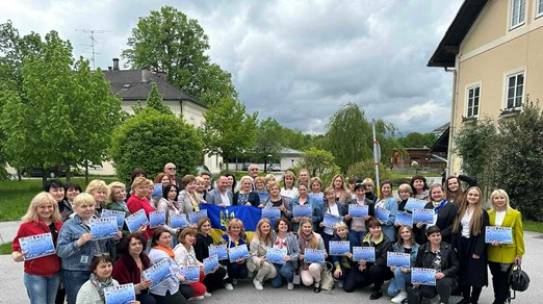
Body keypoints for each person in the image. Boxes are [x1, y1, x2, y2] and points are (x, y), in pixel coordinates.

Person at [56, 193, 121, 304]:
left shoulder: (100, 221)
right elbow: (60, 251)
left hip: (98, 270)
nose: (88, 209)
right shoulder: (69, 225)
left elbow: (107, 246)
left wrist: (115, 238)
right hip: (76, 272)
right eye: (84, 206)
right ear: (75, 208)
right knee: (77, 300)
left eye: (91, 205)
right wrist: (79, 242)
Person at [12, 192, 63, 304]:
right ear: (35, 208)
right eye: (42, 207)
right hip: (35, 274)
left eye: (50, 206)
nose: (46, 210)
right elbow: (16, 248)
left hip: (55, 273)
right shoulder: (26, 226)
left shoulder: (60, 224)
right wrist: (18, 256)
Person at [452, 186, 489, 304]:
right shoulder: (461, 210)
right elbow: (456, 229)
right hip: (462, 244)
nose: (472, 197)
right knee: (464, 273)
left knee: (476, 274)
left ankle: (474, 299)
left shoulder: (483, 213)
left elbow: (485, 233)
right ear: (466, 196)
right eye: (470, 194)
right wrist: (455, 246)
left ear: (479, 198)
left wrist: (478, 251)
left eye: (475, 195)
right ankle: (466, 298)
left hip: (475, 245)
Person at [487, 189, 525, 304]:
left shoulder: (515, 214)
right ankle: (500, 297)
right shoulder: (488, 213)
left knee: (504, 279)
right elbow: (486, 232)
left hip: (508, 253)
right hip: (492, 252)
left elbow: (519, 235)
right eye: (496, 198)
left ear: (506, 199)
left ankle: (498, 300)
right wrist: (489, 241)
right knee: (495, 277)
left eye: (502, 197)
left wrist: (520, 254)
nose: (499, 200)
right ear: (492, 200)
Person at [343, 217, 392, 300]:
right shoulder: (364, 237)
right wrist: (358, 261)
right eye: (373, 228)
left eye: (378, 227)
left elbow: (384, 259)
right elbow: (361, 252)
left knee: (375, 270)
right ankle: (368, 281)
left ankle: (378, 289)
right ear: (368, 229)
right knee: (348, 288)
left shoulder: (387, 241)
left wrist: (367, 263)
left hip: (379, 266)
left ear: (381, 228)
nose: (376, 230)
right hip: (364, 265)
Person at [408, 226, 459, 304]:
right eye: (433, 236)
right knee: (426, 292)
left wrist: (444, 273)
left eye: (438, 235)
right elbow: (417, 265)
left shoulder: (448, 248)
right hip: (429, 278)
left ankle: (444, 301)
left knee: (442, 284)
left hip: (445, 278)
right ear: (428, 237)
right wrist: (416, 279)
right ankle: (436, 295)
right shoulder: (422, 248)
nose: (436, 237)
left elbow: (456, 266)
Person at [76, 254, 141, 304]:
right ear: (94, 269)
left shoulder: (115, 283)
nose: (107, 269)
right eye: (103, 266)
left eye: (109, 265)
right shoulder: (86, 289)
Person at [112, 233, 156, 304]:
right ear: (128, 247)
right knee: (150, 301)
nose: (138, 246)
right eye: (134, 244)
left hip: (145, 289)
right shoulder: (120, 264)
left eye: (140, 243)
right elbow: (120, 290)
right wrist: (139, 287)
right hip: (129, 296)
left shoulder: (144, 257)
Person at [148, 228, 189, 303]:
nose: (168, 239)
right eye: (165, 237)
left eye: (169, 236)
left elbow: (174, 268)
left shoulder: (165, 249)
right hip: (165, 289)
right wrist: (179, 277)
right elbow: (167, 274)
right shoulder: (158, 254)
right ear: (157, 241)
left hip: (171, 284)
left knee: (188, 290)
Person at [387, 225, 420, 303]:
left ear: (411, 233)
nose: (405, 234)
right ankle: (406, 288)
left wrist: (410, 269)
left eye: (407, 232)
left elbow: (421, 265)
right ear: (400, 235)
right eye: (402, 232)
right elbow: (392, 262)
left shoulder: (418, 247)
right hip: (399, 275)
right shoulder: (395, 246)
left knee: (398, 270)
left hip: (411, 275)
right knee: (391, 292)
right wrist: (391, 266)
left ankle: (403, 293)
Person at [193, 218, 227, 292]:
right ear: (200, 227)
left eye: (208, 225)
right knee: (221, 271)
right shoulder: (198, 239)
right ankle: (207, 286)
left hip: (209, 261)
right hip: (202, 264)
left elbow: (211, 252)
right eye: (204, 226)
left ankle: (215, 284)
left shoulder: (209, 238)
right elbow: (199, 257)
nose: (207, 227)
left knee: (223, 266)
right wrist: (212, 264)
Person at [173, 228, 208, 300]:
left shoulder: (190, 247)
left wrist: (202, 265)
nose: (192, 238)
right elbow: (180, 269)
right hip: (181, 278)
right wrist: (195, 269)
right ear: (183, 236)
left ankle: (195, 287)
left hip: (191, 273)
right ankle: (189, 293)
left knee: (204, 270)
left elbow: (195, 260)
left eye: (194, 236)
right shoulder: (180, 250)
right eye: (189, 235)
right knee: (202, 290)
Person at [270, 218, 300, 289]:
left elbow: (298, 252)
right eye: (281, 224)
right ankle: (282, 276)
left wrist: (290, 257)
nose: (284, 226)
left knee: (285, 271)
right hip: (275, 262)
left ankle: (290, 280)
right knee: (276, 284)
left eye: (285, 224)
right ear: (277, 226)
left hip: (287, 262)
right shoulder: (273, 235)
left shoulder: (292, 236)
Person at [298, 219, 326, 293]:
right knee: (308, 282)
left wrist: (324, 254)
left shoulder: (318, 237)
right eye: (305, 227)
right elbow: (294, 253)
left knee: (313, 267)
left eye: (309, 227)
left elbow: (324, 252)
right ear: (301, 227)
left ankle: (318, 281)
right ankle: (313, 275)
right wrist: (300, 256)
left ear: (312, 227)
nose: (307, 229)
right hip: (304, 265)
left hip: (316, 263)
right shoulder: (297, 237)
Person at [248, 219, 277, 290]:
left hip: (268, 259)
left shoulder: (271, 236)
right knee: (266, 266)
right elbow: (253, 256)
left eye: (268, 226)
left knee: (274, 273)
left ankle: (261, 277)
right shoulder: (255, 241)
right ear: (259, 228)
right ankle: (257, 280)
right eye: (264, 226)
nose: (266, 228)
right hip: (255, 261)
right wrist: (260, 260)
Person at [222, 218, 249, 290]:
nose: (236, 229)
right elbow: (220, 253)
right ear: (230, 228)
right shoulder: (225, 237)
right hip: (227, 261)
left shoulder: (243, 237)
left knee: (244, 273)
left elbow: (247, 251)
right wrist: (227, 252)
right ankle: (227, 281)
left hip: (240, 261)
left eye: (238, 227)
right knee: (233, 266)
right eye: (234, 227)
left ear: (241, 228)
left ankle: (234, 277)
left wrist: (244, 259)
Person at [344, 182, 374, 247]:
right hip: (353, 230)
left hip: (365, 230)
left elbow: (373, 216)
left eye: (362, 190)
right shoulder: (350, 203)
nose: (360, 192)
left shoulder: (370, 203)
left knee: (365, 250)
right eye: (358, 190)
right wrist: (348, 216)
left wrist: (369, 217)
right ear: (355, 192)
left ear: (365, 191)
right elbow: (345, 218)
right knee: (354, 249)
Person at [319, 188, 348, 252]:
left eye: (332, 194)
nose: (330, 196)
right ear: (326, 196)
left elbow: (345, 218)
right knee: (329, 253)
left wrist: (344, 220)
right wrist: (320, 223)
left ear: (335, 194)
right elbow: (318, 218)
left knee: (339, 253)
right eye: (328, 195)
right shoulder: (322, 206)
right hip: (327, 233)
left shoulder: (341, 206)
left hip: (339, 234)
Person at [331, 222, 353, 290]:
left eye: (343, 230)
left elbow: (359, 256)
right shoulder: (334, 240)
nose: (341, 232)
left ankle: (349, 278)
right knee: (338, 274)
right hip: (342, 264)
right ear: (336, 232)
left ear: (346, 230)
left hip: (352, 265)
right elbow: (335, 257)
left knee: (348, 288)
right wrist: (338, 268)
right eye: (339, 230)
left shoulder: (353, 239)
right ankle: (342, 278)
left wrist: (352, 256)